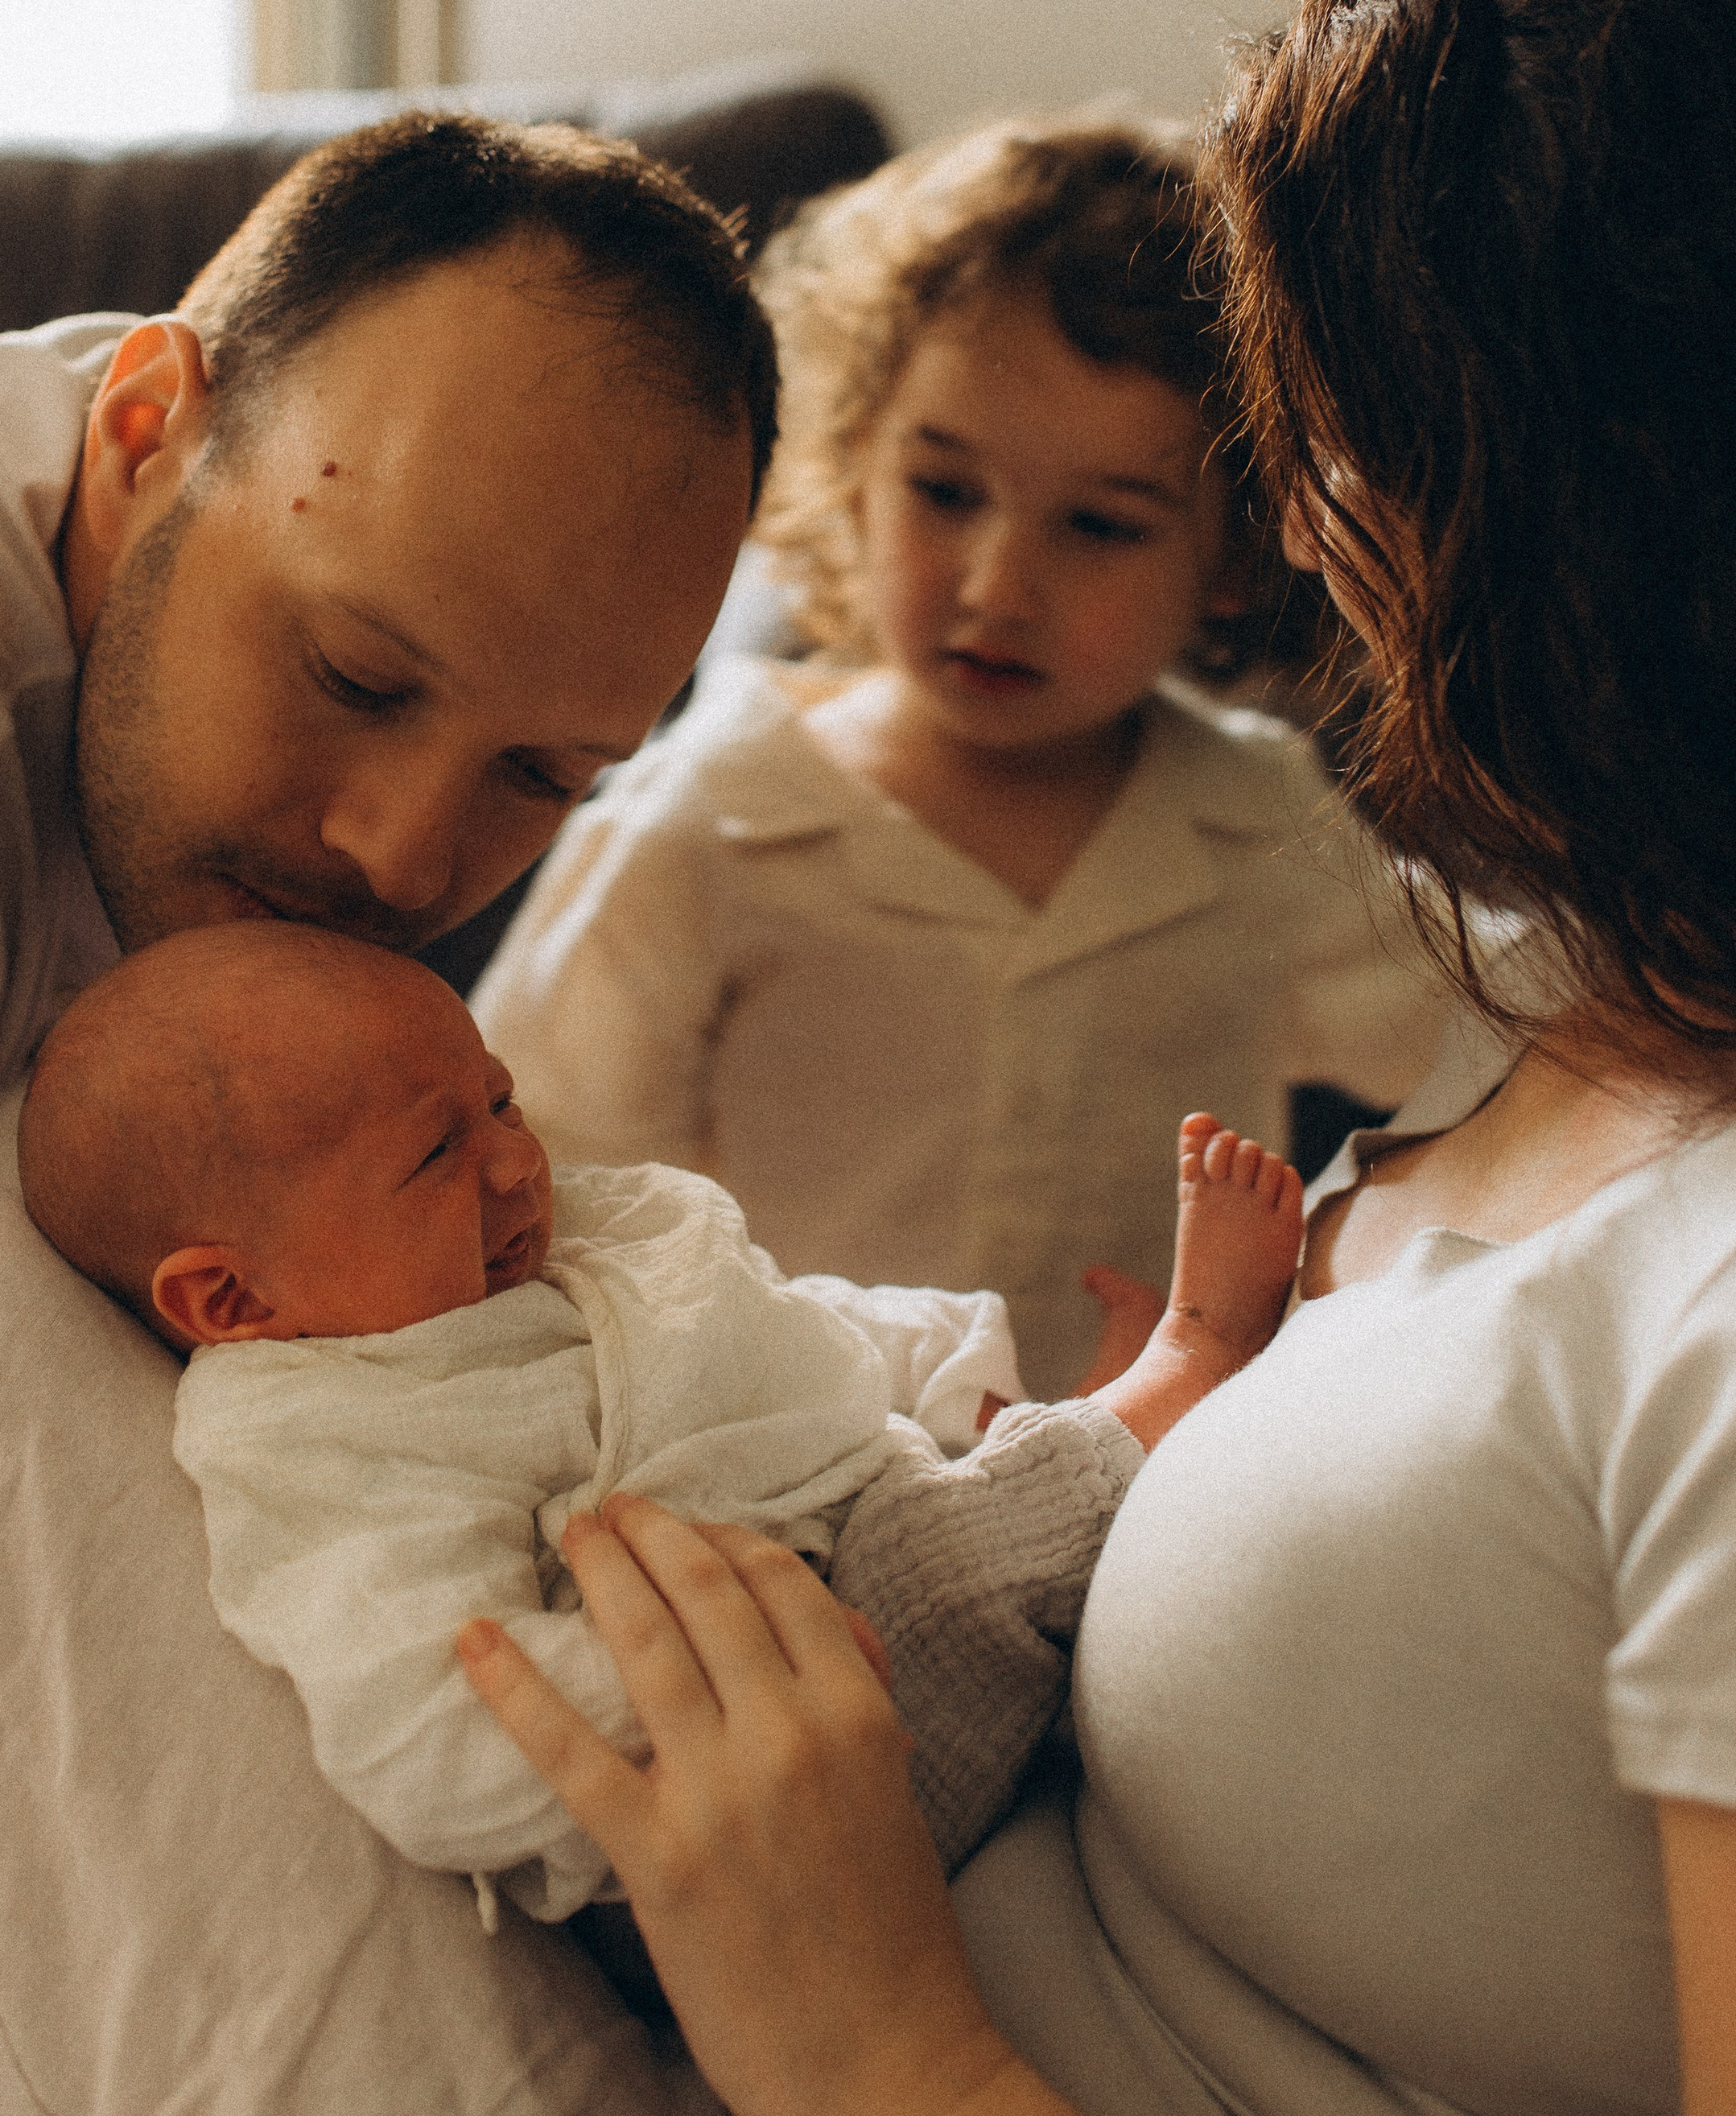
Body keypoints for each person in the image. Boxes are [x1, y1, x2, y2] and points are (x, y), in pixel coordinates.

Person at [460, 0, 1736, 2116]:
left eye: (1352, 420)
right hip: (743, 1771)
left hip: (835, 2078)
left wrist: (890, 2077)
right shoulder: (1591, 996)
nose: (1335, 505)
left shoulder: (1313, 879)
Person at [0, 114, 786, 2116]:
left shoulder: (242, 655)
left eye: (544, 776)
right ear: (148, 418)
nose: (405, 858)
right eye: (357, 675)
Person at [17, 918, 1301, 1923]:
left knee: (978, 1521)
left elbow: (783, 1320)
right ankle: (1178, 1372)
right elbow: (429, 1727)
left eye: (501, 1103)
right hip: (746, 1835)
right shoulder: (325, 1438)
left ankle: (1066, 1450)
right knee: (930, 1552)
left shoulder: (560, 1240)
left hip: (872, 1531)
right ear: (235, 1296)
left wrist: (962, 1380)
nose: (519, 1164)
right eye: (434, 1159)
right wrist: (733, 1667)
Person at [473, 113, 1444, 1392]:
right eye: (944, 493)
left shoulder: (1256, 825)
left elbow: (1497, 1033)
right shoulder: (711, 816)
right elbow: (542, 1167)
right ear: (854, 466)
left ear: (1233, 552)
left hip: (1143, 1486)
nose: (999, 586)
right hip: (798, 1462)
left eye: (1101, 525)